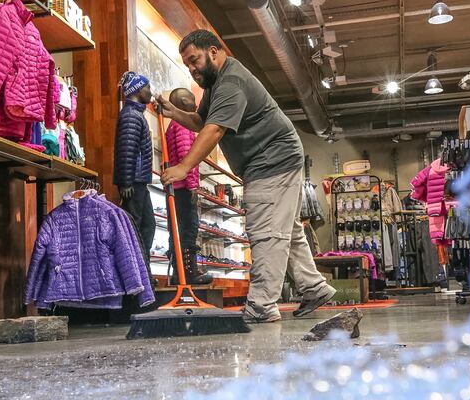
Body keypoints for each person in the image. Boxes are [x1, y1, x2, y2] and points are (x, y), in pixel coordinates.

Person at [155, 29, 336, 323]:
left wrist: (183, 167)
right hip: (275, 158)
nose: (192, 68)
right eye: (187, 64)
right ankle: (313, 287)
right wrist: (173, 111)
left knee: (266, 231)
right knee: (286, 231)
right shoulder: (216, 84)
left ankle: (262, 304)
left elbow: (214, 130)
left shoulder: (231, 83)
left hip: (272, 161)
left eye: (194, 60)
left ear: (213, 51)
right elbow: (202, 122)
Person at [165, 88, 212, 285]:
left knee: (178, 229)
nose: (196, 104)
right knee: (189, 229)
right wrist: (193, 186)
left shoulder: (173, 126)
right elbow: (187, 156)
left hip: (176, 187)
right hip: (183, 187)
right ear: (184, 102)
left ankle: (181, 271)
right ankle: (188, 272)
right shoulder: (182, 126)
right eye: (193, 100)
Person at [114, 71, 155, 284]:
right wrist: (126, 180)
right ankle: (137, 276)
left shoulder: (136, 114)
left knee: (147, 225)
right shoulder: (131, 115)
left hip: (140, 180)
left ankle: (143, 272)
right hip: (134, 182)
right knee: (136, 228)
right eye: (147, 87)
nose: (150, 92)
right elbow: (126, 149)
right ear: (138, 90)